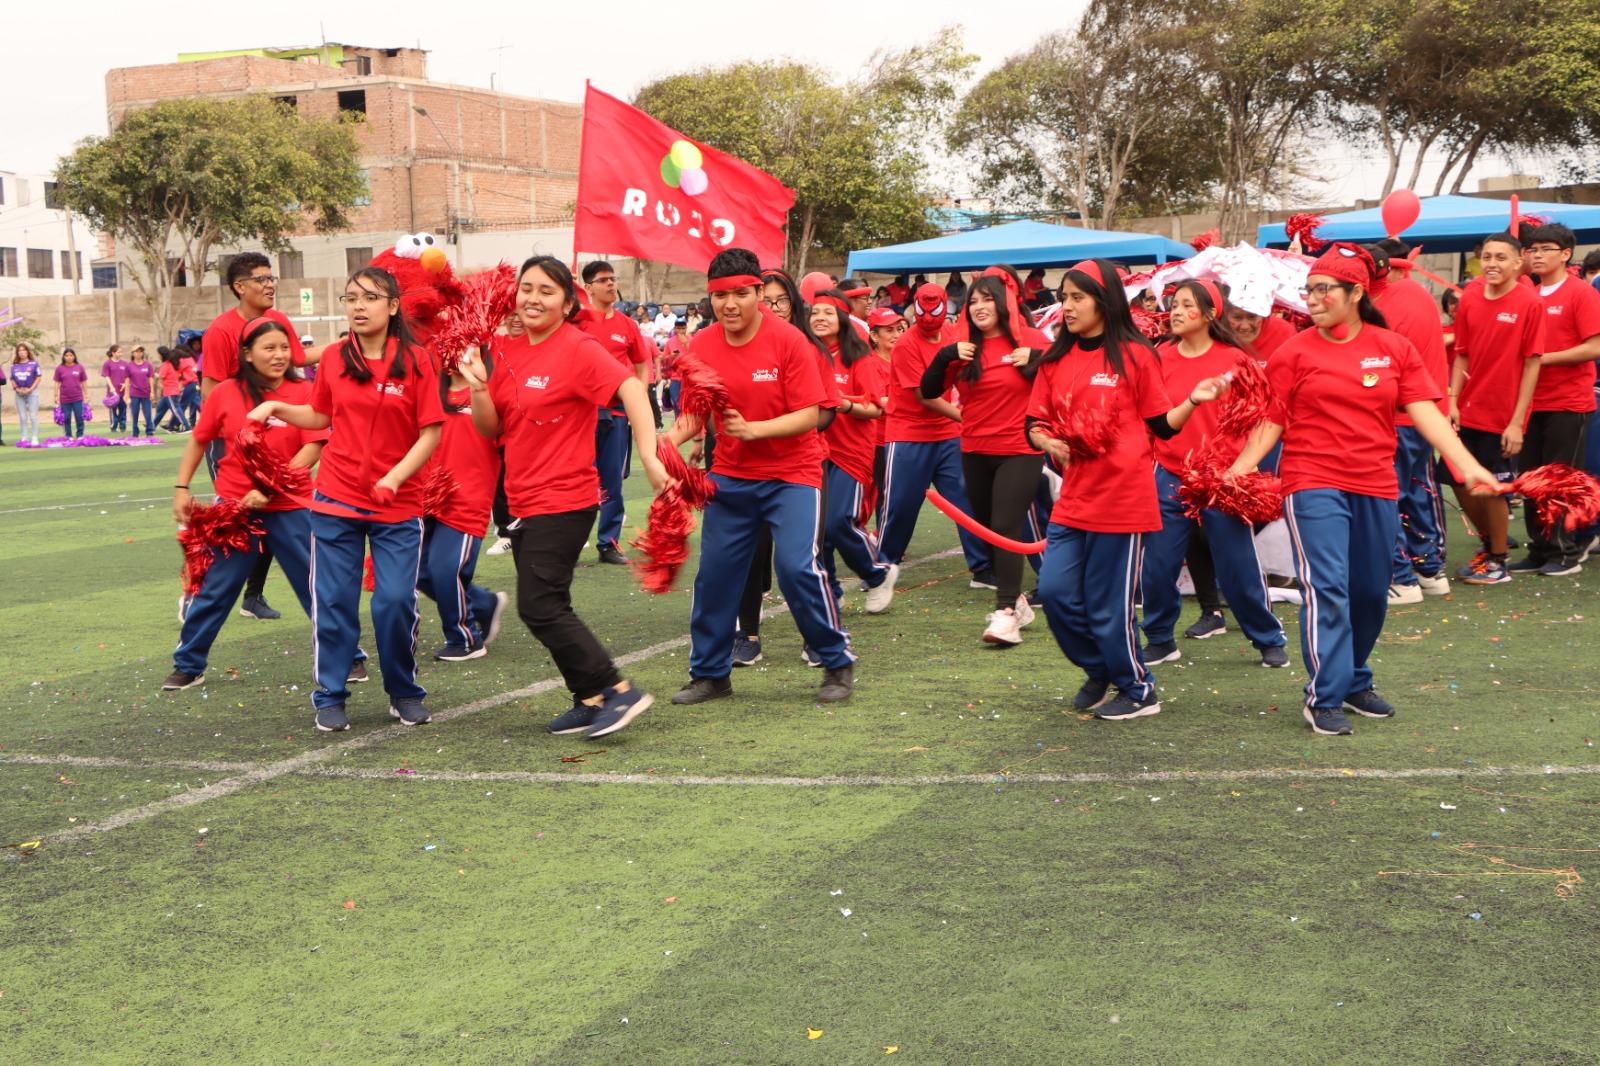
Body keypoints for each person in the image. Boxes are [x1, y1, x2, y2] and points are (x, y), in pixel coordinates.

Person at [1229, 243, 1499, 735]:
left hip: (1375, 483)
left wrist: (1467, 467)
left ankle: (1353, 680)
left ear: (1355, 292)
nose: (1311, 297)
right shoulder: (1294, 349)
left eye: (1323, 288)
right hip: (1312, 481)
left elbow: (1426, 414)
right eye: (1308, 288)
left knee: (1372, 592)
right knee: (1327, 586)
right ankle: (1324, 695)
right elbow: (1273, 421)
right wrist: (1239, 469)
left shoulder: (1393, 348)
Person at [460, 255, 665, 739]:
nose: (533, 298)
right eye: (526, 288)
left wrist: (650, 455)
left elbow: (632, 390)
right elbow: (492, 428)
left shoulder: (577, 347)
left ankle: (619, 691)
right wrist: (478, 389)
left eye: (546, 291)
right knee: (549, 603)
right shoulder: (503, 348)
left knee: (540, 605)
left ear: (568, 302)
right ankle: (589, 697)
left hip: (565, 497)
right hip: (521, 498)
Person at [1023, 261, 1227, 721]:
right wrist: (1046, 439)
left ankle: (1138, 690)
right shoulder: (1055, 359)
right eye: (1065, 297)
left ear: (1104, 300)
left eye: (1078, 297)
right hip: (1073, 499)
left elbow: (1161, 426)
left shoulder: (1136, 354)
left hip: (1124, 501)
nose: (1068, 306)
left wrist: (1193, 400)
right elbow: (1033, 423)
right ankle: (1101, 669)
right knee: (1054, 593)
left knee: (1106, 605)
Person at [248, 266, 443, 733]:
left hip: (397, 506)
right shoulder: (334, 357)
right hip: (336, 501)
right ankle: (330, 694)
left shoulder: (418, 360)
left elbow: (430, 432)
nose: (358, 305)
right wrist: (275, 406)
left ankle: (403, 691)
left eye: (370, 297)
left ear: (392, 306)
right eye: (351, 297)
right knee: (333, 600)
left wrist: (395, 478)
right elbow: (318, 414)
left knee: (394, 601)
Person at [665, 247, 856, 706]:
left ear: (757, 292)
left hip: (793, 474)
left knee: (797, 568)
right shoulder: (704, 345)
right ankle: (711, 674)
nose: (730, 304)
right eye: (719, 295)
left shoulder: (790, 341)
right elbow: (695, 414)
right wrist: (665, 445)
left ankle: (835, 661)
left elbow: (812, 414)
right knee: (714, 576)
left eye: (740, 294)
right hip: (730, 477)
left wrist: (753, 430)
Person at [165, 318, 327, 690]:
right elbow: (199, 440)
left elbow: (313, 446)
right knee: (215, 587)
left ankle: (348, 656)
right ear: (247, 354)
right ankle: (189, 663)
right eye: (269, 348)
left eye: (284, 348)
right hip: (236, 510)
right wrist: (180, 487)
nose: (279, 355)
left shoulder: (305, 391)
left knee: (317, 587)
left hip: (291, 507)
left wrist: (271, 487)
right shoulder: (225, 392)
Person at [1138, 280, 1289, 669]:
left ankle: (1268, 638)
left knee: (1237, 566)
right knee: (1157, 565)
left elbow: (1266, 420)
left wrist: (1243, 468)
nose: (1173, 310)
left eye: (1186, 304)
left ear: (1209, 314)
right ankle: (1158, 638)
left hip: (1223, 478)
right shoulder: (1158, 356)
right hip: (1170, 474)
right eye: (1173, 303)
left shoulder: (1237, 361)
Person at [919, 274, 1047, 644]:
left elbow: (1069, 368)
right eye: (973, 301)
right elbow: (928, 391)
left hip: (1021, 449)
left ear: (1004, 302)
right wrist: (944, 356)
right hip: (974, 449)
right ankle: (1017, 600)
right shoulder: (962, 348)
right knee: (988, 529)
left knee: (1005, 527)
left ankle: (1006, 611)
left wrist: (1038, 358)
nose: (979, 307)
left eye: (987, 299)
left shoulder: (1033, 340)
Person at [1446, 231, 1544, 585]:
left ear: (1519, 263)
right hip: (1468, 408)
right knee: (1456, 481)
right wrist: (1453, 401)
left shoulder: (1529, 303)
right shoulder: (1470, 298)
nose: (1492, 264)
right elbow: (1462, 355)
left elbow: (1533, 363)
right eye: (1487, 257)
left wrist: (1517, 422)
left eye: (1501, 257)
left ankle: (1498, 561)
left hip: (1502, 414)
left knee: (1493, 487)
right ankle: (1492, 545)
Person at [877, 284, 992, 585]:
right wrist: (970, 418)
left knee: (965, 499)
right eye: (922, 309)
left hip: (948, 434)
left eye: (935, 309)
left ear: (946, 306)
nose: (928, 316)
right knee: (900, 505)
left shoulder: (953, 334)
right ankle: (883, 567)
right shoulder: (905, 345)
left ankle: (982, 567)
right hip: (909, 435)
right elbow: (924, 396)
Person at [1511, 222, 1600, 575]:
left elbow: (1595, 346)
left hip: (1569, 401)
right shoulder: (1529, 294)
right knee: (1532, 478)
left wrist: (1541, 359)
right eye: (1532, 249)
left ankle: (1567, 551)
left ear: (1566, 254)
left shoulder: (1581, 293)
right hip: (1531, 402)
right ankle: (1541, 548)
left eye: (1546, 249)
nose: (1537, 255)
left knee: (1561, 479)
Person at [1371, 239, 1453, 603]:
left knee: (1387, 498)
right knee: (1417, 492)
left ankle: (1401, 579)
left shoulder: (1385, 303)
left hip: (1396, 416)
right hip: (1422, 414)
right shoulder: (1417, 294)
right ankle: (1429, 571)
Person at [415, 357, 510, 662]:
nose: (455, 353)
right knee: (416, 570)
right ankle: (483, 604)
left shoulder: (491, 390)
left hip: (468, 493)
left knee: (445, 569)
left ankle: (465, 638)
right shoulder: (430, 388)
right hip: (425, 491)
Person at [811, 290, 895, 612]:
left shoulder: (858, 357)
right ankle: (830, 590)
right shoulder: (805, 353)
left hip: (851, 452)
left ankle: (877, 574)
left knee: (837, 522)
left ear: (843, 318)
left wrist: (840, 403)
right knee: (817, 533)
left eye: (828, 312)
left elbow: (875, 409)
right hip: (815, 452)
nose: (819, 317)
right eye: (814, 311)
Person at [576, 260, 654, 565]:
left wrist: (639, 402)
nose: (611, 284)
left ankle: (607, 543)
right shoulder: (576, 322)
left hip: (618, 413)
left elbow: (641, 367)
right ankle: (570, 539)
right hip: (581, 412)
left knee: (612, 480)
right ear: (588, 287)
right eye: (603, 279)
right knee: (578, 477)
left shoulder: (627, 325)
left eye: (613, 278)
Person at [11, 343, 43, 445]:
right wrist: (16, 388)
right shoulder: (14, 366)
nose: (22, 352)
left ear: (27, 352)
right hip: (19, 393)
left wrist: (31, 389)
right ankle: (24, 437)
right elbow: (12, 379)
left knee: (33, 416)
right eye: (19, 351)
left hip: (32, 392)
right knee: (22, 417)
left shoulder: (34, 364)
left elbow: (38, 377)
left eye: (24, 350)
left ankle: (34, 437)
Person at [53, 348, 89, 438]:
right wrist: (56, 396)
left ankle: (80, 435)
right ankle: (68, 436)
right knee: (67, 418)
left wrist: (87, 395)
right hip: (64, 398)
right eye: (67, 355)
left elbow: (83, 382)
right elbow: (57, 383)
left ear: (74, 356)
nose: (69, 357)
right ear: (64, 357)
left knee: (79, 417)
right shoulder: (59, 368)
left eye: (71, 355)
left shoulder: (79, 367)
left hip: (78, 397)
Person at [154, 347, 190, 432]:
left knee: (176, 410)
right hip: (169, 390)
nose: (157, 355)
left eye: (158, 354)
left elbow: (161, 376)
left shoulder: (165, 364)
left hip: (170, 391)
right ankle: (152, 426)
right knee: (160, 408)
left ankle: (186, 426)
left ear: (161, 355)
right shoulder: (170, 364)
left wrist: (150, 374)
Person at [126, 346, 155, 437]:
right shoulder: (129, 365)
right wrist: (126, 394)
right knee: (134, 414)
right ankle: (135, 433)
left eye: (140, 351)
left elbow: (151, 378)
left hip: (146, 393)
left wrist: (152, 391)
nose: (138, 353)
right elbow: (127, 380)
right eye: (136, 351)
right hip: (134, 393)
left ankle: (149, 432)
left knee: (148, 414)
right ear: (132, 353)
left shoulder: (148, 365)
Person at [101, 345, 130, 433]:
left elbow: (129, 377)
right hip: (112, 393)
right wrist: (111, 387)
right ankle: (113, 426)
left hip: (123, 392)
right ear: (113, 353)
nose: (120, 353)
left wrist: (125, 385)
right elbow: (106, 376)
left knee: (123, 410)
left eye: (121, 352)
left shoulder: (125, 364)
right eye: (118, 352)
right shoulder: (107, 363)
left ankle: (122, 426)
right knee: (113, 410)